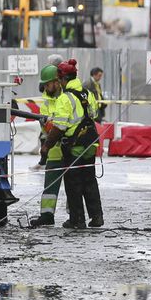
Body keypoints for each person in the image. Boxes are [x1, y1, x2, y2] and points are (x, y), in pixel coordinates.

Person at [30, 64, 84, 228]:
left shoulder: (70, 96)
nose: (46, 87)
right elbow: (45, 125)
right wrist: (47, 128)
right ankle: (46, 215)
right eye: (45, 85)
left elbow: (76, 118)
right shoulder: (47, 100)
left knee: (73, 184)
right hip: (54, 149)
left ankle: (73, 216)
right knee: (50, 185)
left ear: (57, 81)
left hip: (71, 146)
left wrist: (57, 127)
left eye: (48, 84)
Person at [58, 60, 103, 228]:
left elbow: (60, 126)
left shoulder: (65, 98)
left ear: (64, 79)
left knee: (73, 183)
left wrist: (47, 145)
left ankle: (77, 219)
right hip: (90, 143)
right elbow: (94, 113)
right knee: (90, 181)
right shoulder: (87, 93)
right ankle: (97, 217)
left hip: (74, 146)